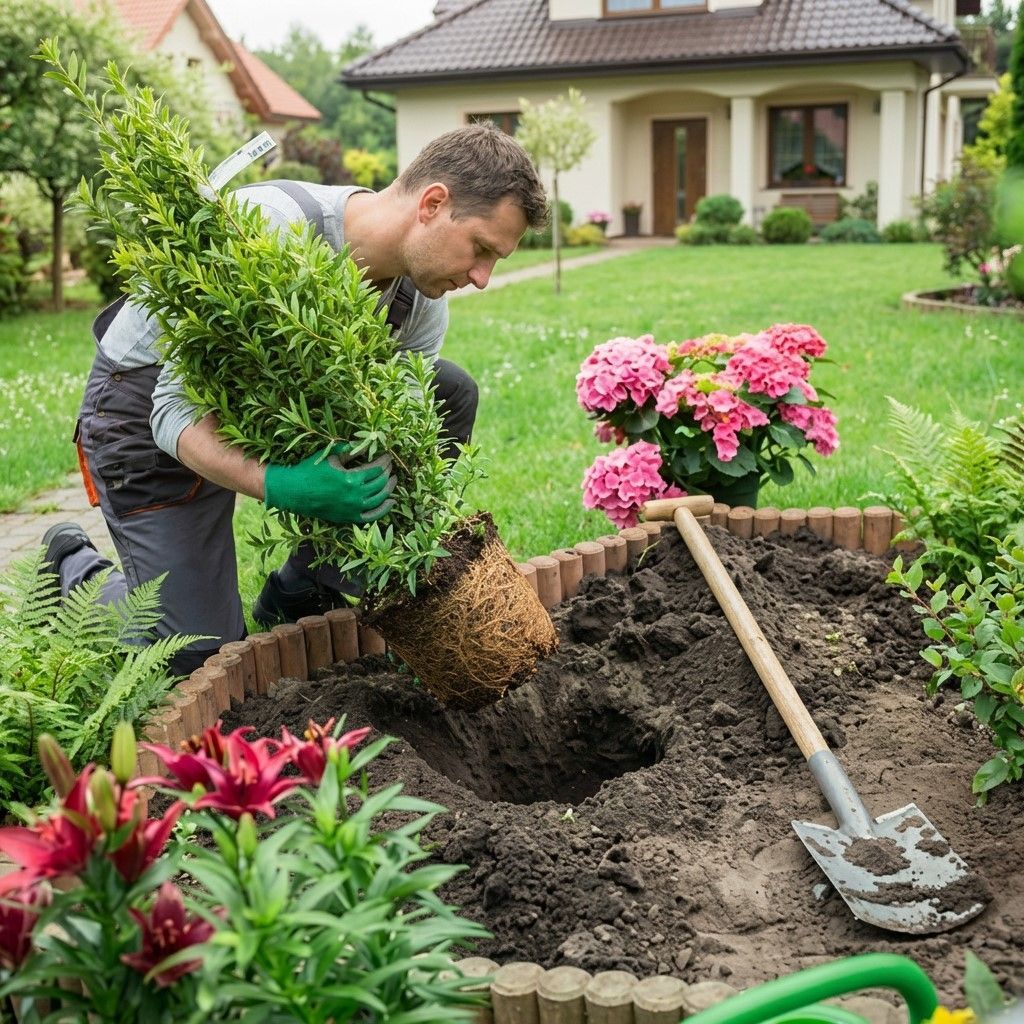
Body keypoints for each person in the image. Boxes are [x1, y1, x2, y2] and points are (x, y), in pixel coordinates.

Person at [43, 123, 548, 674]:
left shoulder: (421, 302)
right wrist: (281, 485)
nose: (482, 277)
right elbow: (173, 412)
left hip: (268, 403)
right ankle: (75, 571)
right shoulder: (263, 232)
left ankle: (303, 592)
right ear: (432, 203)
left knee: (442, 393)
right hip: (146, 412)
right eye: (480, 249)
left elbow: (397, 429)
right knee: (195, 654)